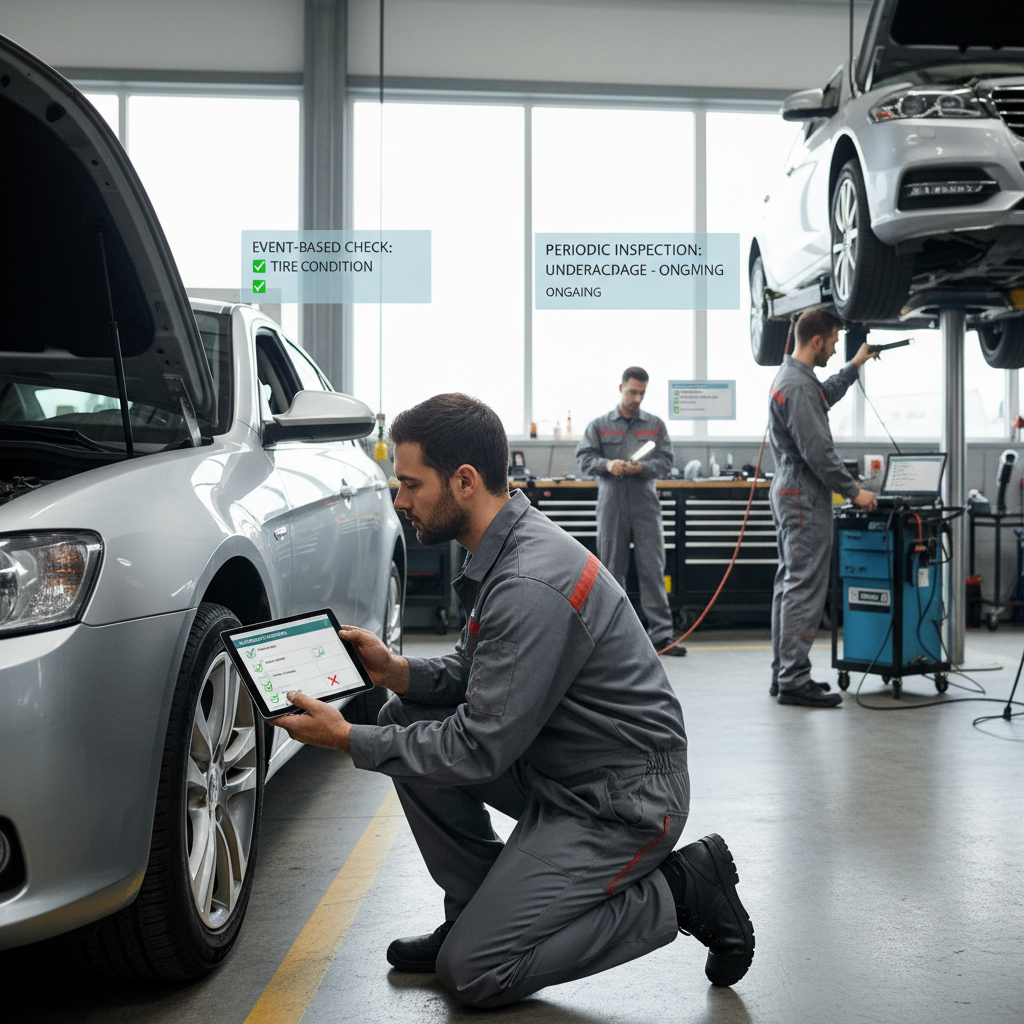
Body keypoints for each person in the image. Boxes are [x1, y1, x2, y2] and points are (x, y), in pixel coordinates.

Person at [272, 393, 754, 1008]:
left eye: (410, 484)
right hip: (562, 767)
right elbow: (482, 678)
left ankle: (681, 890)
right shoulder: (505, 547)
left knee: (474, 972)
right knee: (404, 713)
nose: (399, 499)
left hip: (621, 801)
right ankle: (476, 910)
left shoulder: (529, 581)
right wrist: (396, 672)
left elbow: (477, 747)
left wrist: (345, 738)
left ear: (464, 482)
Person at [768, 309, 878, 708]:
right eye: (833, 342)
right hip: (804, 494)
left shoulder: (796, 380)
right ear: (816, 340)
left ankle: (783, 671)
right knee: (804, 587)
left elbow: (823, 396)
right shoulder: (796, 387)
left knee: (790, 583)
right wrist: (854, 492)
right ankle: (794, 678)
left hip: (790, 490)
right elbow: (819, 452)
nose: (834, 349)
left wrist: (853, 365)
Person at [575, 367, 684, 656]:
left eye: (642, 393)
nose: (637, 398)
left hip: (644, 500)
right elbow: (583, 458)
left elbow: (666, 461)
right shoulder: (599, 425)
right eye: (632, 392)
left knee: (653, 568)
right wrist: (606, 465)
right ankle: (613, 636)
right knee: (611, 569)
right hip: (611, 501)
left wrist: (641, 468)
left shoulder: (655, 425)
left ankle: (661, 635)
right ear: (621, 388)